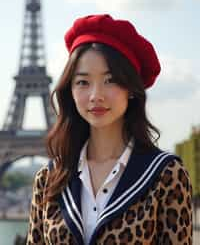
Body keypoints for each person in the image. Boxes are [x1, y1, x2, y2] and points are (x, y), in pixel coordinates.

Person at [26, 14, 193, 245]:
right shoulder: (48, 179)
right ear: (70, 91)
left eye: (110, 80)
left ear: (131, 89)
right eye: (83, 82)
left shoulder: (165, 175)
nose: (96, 95)